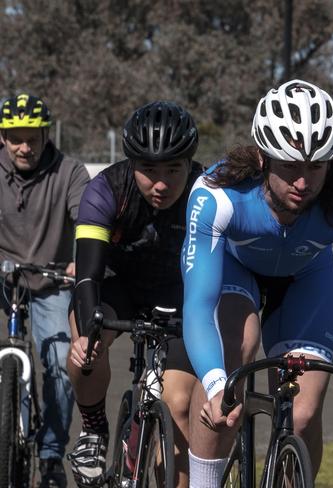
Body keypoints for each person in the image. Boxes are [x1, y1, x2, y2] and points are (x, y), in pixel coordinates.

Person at [182, 79, 333, 486]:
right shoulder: (218, 194)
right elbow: (199, 304)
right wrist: (216, 383)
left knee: (303, 415)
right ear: (262, 158)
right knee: (235, 355)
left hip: (307, 277)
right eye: (289, 167)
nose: (303, 183)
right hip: (238, 273)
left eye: (316, 167)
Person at [66, 101, 202, 488]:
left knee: (175, 403)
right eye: (148, 170)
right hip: (117, 285)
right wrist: (87, 334)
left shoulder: (205, 190)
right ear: (131, 165)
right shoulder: (106, 189)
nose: (160, 184)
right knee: (83, 350)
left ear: (189, 164)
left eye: (173, 169)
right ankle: (93, 430)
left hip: (179, 293)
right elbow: (87, 276)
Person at [0, 93, 89, 488]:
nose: (24, 146)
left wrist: (81, 259)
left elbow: (87, 218)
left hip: (51, 280)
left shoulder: (68, 172)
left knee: (60, 360)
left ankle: (51, 455)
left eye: (32, 137)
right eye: (15, 137)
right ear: (3, 137)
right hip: (3, 281)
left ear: (44, 134)